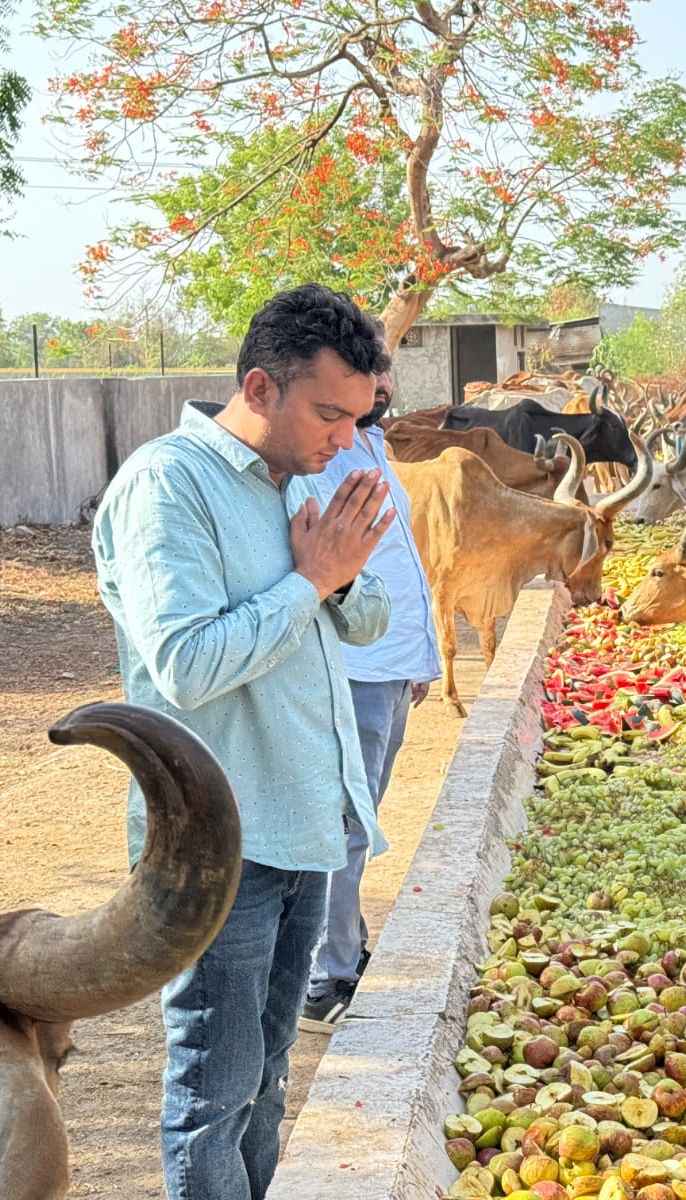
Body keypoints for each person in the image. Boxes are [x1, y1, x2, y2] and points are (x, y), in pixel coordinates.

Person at [92, 283, 394, 1200]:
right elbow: (185, 662)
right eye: (331, 413)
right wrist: (310, 583)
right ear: (261, 387)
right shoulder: (166, 483)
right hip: (219, 847)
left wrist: (335, 581)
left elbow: (369, 618)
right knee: (213, 1096)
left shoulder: (297, 480)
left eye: (358, 418)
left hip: (305, 823)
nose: (346, 438)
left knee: (266, 1084)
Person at [300, 339, 440, 1032]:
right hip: (355, 668)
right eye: (368, 373)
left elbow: (397, 562)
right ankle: (327, 976)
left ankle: (344, 950)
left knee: (359, 823)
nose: (382, 383)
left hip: (390, 667)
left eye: (385, 371)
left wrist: (419, 658)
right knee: (345, 828)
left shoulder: (373, 447)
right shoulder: (328, 459)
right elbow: (334, 566)